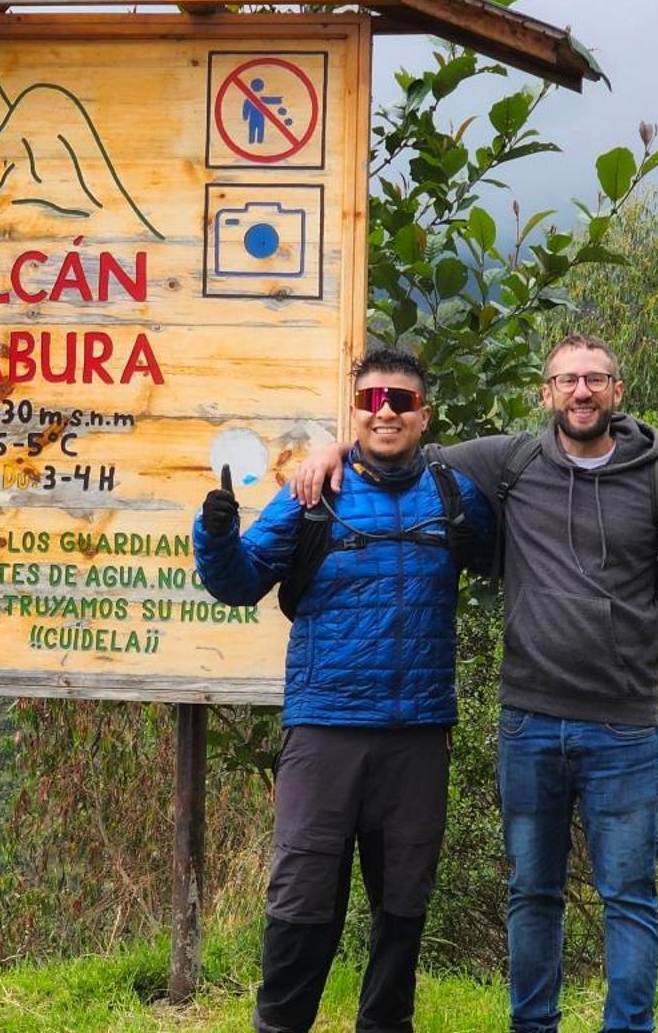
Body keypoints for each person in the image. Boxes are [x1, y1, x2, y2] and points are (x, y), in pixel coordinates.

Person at [289, 335, 658, 1033]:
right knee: (531, 892)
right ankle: (533, 1026)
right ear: (547, 393)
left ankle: (629, 1026)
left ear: (618, 391)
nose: (581, 391)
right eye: (567, 380)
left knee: (629, 895)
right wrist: (331, 451)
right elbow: (401, 447)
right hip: (529, 720)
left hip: (625, 724)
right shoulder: (513, 460)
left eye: (595, 379)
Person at [195, 347, 495, 1033]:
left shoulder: (455, 495)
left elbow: (519, 554)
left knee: (403, 906)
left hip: (418, 733)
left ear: (424, 413)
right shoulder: (313, 494)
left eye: (400, 400)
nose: (384, 411)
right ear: (353, 410)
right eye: (370, 400)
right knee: (302, 900)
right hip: (325, 727)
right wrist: (215, 534)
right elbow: (239, 582)